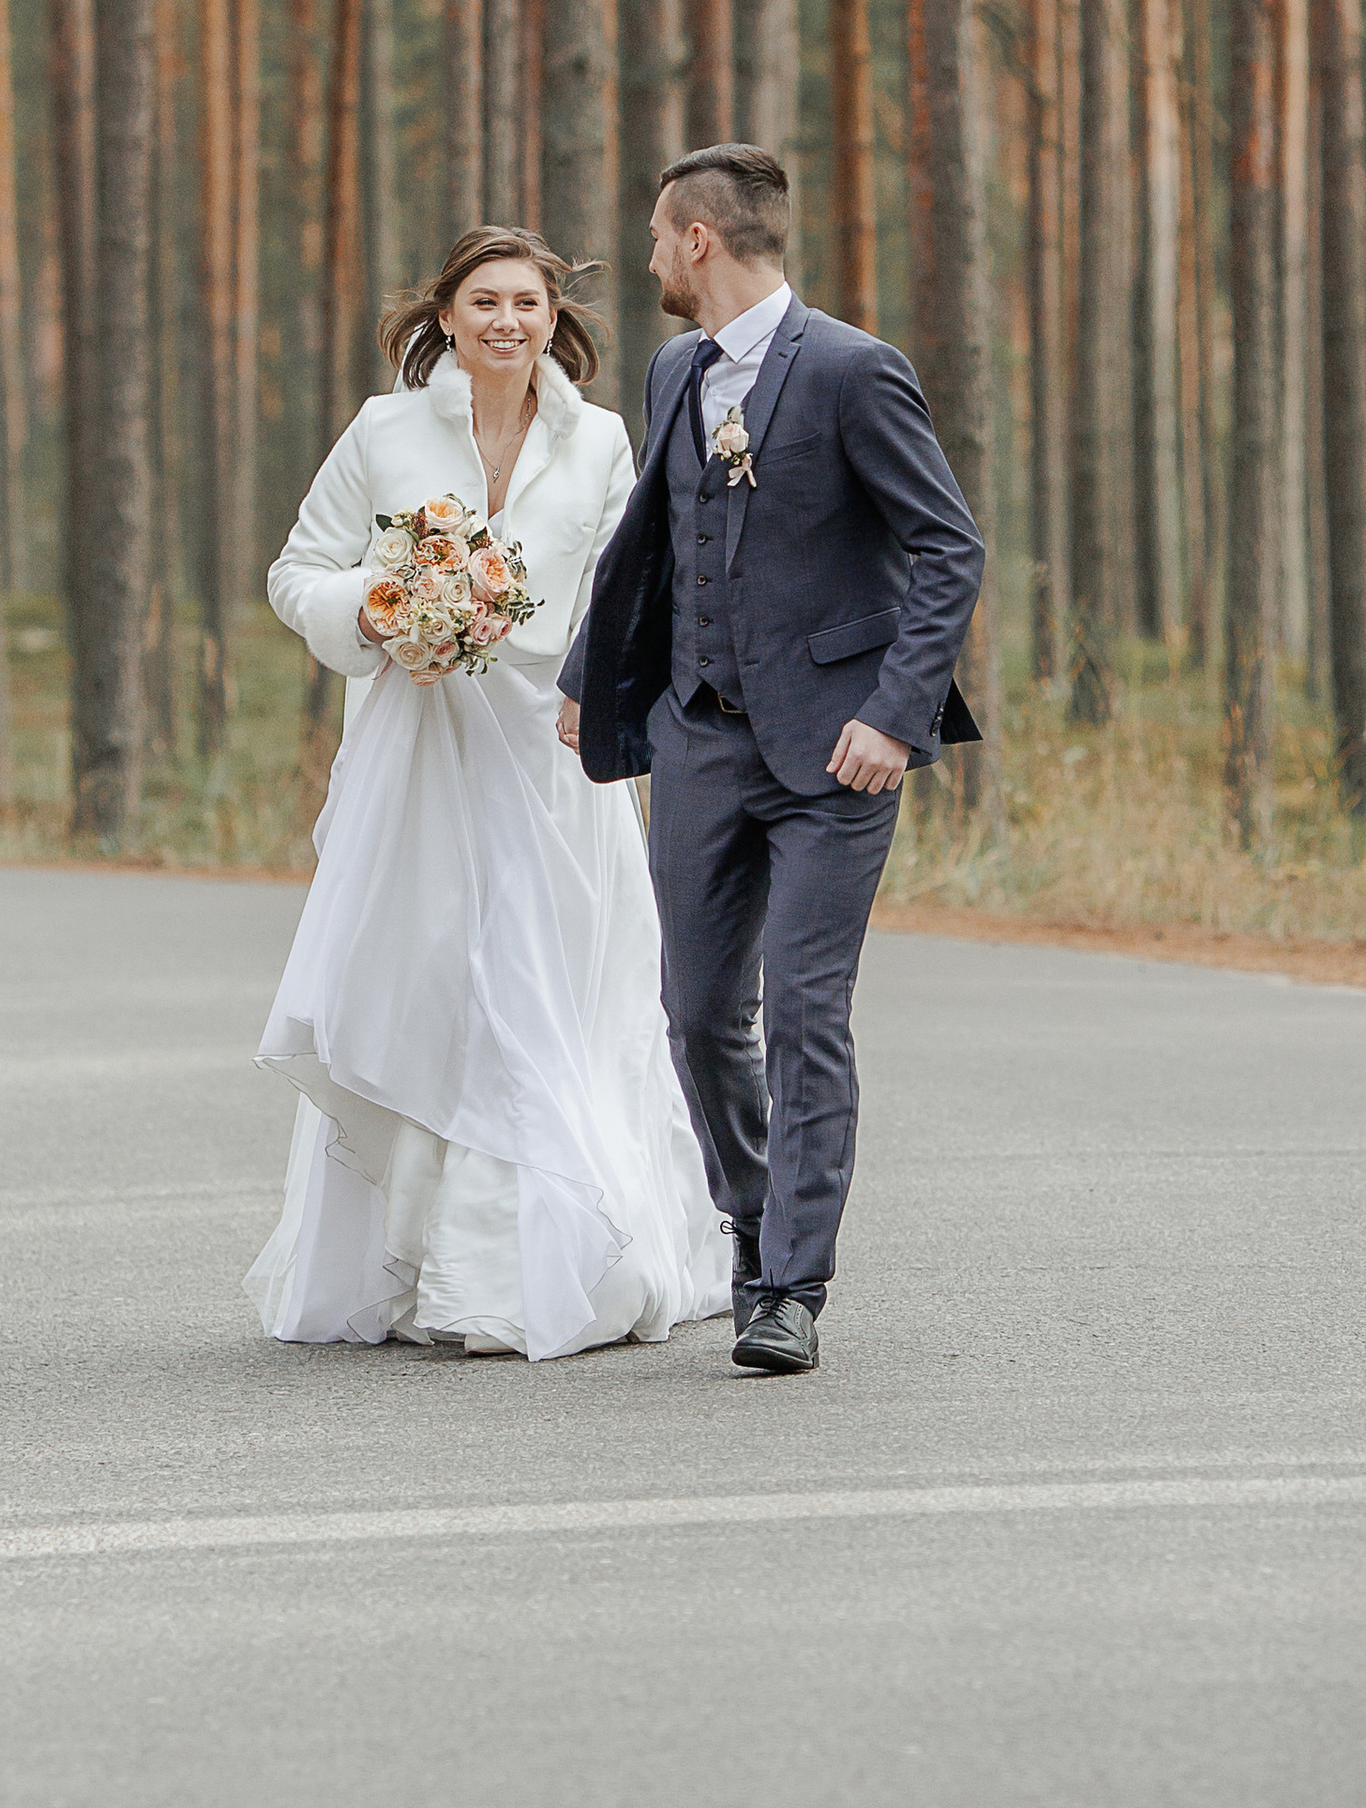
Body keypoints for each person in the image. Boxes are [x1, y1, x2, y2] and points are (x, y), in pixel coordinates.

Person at [245, 227, 731, 1363]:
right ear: (446, 317)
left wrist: (600, 691)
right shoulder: (383, 430)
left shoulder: (604, 441)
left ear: (555, 321)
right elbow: (296, 571)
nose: (507, 321)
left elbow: (633, 586)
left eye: (527, 303)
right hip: (419, 746)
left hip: (554, 748)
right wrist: (378, 609)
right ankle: (421, 1270)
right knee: (430, 983)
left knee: (551, 986)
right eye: (484, 302)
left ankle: (561, 1262)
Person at [557, 142, 984, 1377]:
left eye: (653, 237)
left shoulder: (855, 372)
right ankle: (750, 1213)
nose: (646, 258)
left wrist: (894, 716)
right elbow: (651, 532)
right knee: (694, 1015)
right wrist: (596, 672)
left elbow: (946, 549)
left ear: (698, 239)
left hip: (837, 754)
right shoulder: (672, 370)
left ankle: (791, 1285)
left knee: (802, 1013)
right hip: (697, 736)